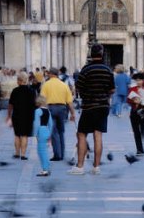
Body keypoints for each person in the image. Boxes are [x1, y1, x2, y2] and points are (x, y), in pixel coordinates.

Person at [70, 44, 115, 175]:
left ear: (91, 54)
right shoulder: (107, 70)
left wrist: (86, 95)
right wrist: (105, 95)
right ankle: (96, 167)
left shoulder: (85, 70)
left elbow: (78, 87)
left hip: (89, 106)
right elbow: (112, 89)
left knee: (82, 134)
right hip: (103, 106)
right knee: (98, 135)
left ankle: (80, 166)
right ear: (102, 53)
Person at [41, 67, 76, 161]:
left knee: (54, 132)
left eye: (48, 73)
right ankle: (62, 153)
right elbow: (69, 101)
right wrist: (73, 113)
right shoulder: (64, 85)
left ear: (51, 74)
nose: (47, 75)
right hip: (62, 109)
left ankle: (57, 155)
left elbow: (42, 100)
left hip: (51, 108)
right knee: (61, 131)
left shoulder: (46, 85)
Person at [6, 72, 36, 160]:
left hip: (17, 115)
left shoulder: (15, 91)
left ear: (19, 80)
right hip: (28, 116)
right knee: (24, 135)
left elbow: (10, 105)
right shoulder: (31, 91)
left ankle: (16, 153)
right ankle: (23, 155)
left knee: (17, 135)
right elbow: (35, 104)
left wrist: (9, 115)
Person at [127, 73, 144, 155]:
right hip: (134, 112)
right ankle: (139, 149)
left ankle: (142, 145)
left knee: (142, 131)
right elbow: (128, 100)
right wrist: (134, 101)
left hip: (143, 112)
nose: (138, 82)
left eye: (140, 80)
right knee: (136, 131)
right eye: (137, 80)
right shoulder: (132, 89)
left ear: (143, 80)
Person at [32, 95, 53, 176]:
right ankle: (47, 168)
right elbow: (51, 124)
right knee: (44, 151)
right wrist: (50, 134)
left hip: (40, 131)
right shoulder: (48, 111)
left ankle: (45, 170)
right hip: (46, 130)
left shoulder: (37, 111)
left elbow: (36, 124)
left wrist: (35, 134)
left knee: (41, 151)